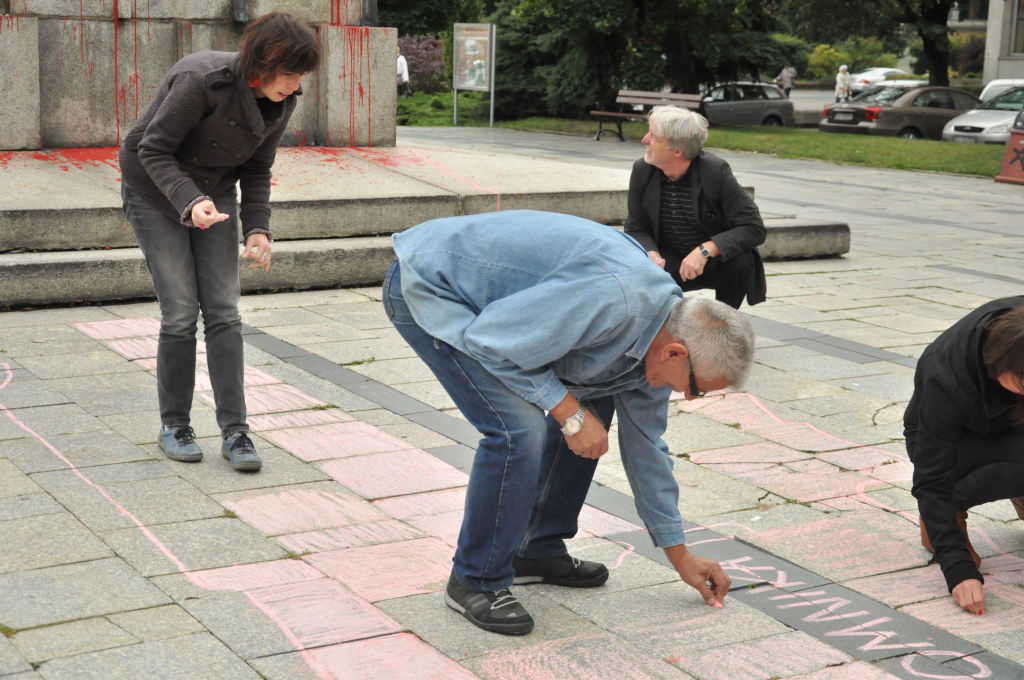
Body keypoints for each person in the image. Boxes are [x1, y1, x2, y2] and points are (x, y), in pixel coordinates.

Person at [384, 210, 755, 635]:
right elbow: (491, 342)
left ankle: (535, 548)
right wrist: (569, 412)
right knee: (518, 431)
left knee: (596, 403)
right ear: (675, 354)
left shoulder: (664, 335)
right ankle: (475, 579)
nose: (689, 398)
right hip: (436, 285)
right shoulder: (614, 301)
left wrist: (679, 555)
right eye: (697, 388)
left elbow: (647, 448)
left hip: (496, 313)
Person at [118, 13, 319, 472]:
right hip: (155, 189)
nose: (295, 85)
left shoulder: (281, 100)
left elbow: (257, 167)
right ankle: (175, 425)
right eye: (288, 73)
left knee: (224, 310)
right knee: (180, 311)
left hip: (215, 188)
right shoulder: (201, 80)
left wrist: (258, 228)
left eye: (300, 75)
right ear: (262, 62)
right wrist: (189, 201)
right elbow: (151, 148)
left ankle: (236, 432)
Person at [905, 296, 1024, 616]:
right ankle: (951, 510)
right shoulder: (947, 376)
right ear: (997, 365)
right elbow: (931, 479)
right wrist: (958, 570)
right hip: (952, 444)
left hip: (1011, 421)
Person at [625, 106, 767, 310]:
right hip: (668, 260)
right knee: (634, 264)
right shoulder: (643, 170)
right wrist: (651, 253)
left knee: (740, 260)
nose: (644, 139)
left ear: (677, 151)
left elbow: (754, 228)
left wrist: (705, 250)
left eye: (653, 136)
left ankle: (723, 320)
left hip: (711, 263)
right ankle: (658, 322)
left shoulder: (715, 172)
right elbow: (636, 228)